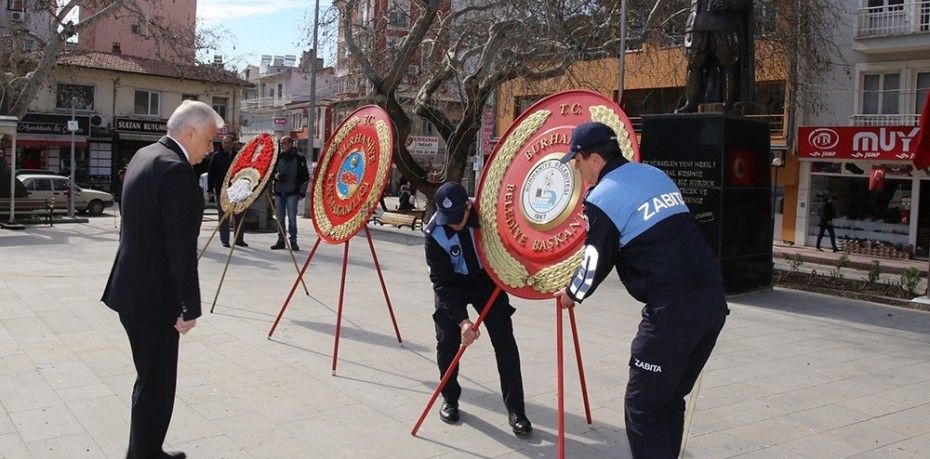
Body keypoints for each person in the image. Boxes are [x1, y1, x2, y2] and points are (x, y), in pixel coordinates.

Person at [554, 122, 728, 458]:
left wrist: (572, 293)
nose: (576, 168)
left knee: (642, 407)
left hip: (672, 312)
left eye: (577, 160)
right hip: (712, 302)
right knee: (668, 401)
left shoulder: (603, 197)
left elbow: (595, 257)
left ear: (594, 159)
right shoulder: (652, 175)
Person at [101, 100, 223, 459]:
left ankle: (144, 451)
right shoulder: (177, 174)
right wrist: (189, 306)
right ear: (190, 132)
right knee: (157, 387)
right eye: (209, 140)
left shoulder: (145, 155)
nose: (211, 149)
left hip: (130, 290)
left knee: (149, 381)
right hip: (153, 300)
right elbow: (180, 250)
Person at [424, 181, 533, 437]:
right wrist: (462, 321)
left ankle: (516, 410)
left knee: (505, 342)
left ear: (468, 207)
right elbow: (441, 283)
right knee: (447, 341)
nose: (452, 223)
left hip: (488, 282)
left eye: (457, 217)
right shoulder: (433, 233)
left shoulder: (488, 215)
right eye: (446, 218)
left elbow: (511, 244)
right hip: (453, 285)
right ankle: (450, 398)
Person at [207, 134, 247, 248]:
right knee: (223, 216)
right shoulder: (216, 156)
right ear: (222, 143)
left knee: (239, 214)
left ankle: (239, 239)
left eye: (229, 143)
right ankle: (225, 240)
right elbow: (211, 173)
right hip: (221, 190)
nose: (227, 145)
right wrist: (210, 189)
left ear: (232, 144)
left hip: (237, 190)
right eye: (225, 143)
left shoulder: (238, 156)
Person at [271, 136, 310, 251]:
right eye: (281, 143)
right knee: (280, 218)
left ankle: (293, 241)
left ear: (290, 144)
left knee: (292, 218)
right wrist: (276, 176)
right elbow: (271, 172)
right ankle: (280, 240)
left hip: (292, 192)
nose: (282, 145)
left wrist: (302, 193)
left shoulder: (299, 157)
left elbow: (305, 176)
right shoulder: (278, 157)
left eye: (284, 143)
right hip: (279, 191)